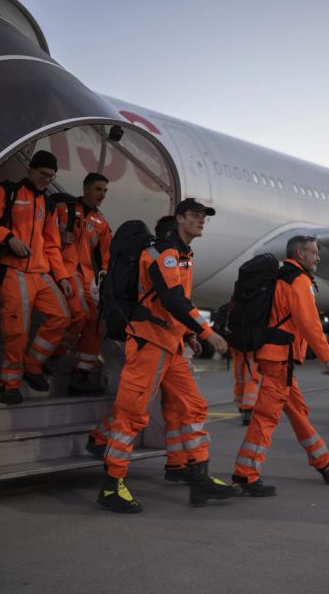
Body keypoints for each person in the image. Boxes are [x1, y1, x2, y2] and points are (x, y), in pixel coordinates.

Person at [98, 198, 236, 513]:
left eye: (205, 216)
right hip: (149, 342)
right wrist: (208, 332)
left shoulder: (184, 254)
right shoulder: (164, 254)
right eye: (195, 215)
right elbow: (173, 300)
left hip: (171, 344)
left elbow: (173, 303)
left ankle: (199, 478)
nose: (202, 220)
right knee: (131, 414)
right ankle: (111, 487)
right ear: (179, 219)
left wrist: (187, 334)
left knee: (193, 406)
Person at [231, 235, 329, 495]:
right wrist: (327, 357)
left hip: (275, 356)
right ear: (300, 253)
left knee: (297, 411)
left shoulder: (281, 277)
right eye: (314, 252)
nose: (318, 258)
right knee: (266, 417)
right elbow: (309, 323)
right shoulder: (298, 279)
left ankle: (325, 463)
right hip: (279, 359)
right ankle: (245, 475)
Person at [0, 150, 72, 404]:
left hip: (40, 273)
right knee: (17, 331)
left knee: (61, 316)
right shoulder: (8, 191)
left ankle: (32, 366)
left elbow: (51, 245)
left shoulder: (48, 204)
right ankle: (9, 385)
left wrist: (62, 277)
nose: (46, 180)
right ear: (30, 170)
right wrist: (9, 238)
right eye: (42, 174)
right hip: (13, 271)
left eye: (51, 176)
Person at [46, 173, 113, 395]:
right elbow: (45, 235)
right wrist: (59, 236)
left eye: (104, 190)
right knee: (80, 314)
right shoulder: (63, 209)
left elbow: (107, 257)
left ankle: (80, 374)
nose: (102, 195)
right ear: (85, 188)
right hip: (64, 269)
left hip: (85, 276)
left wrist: (105, 281)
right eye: (98, 189)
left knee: (97, 321)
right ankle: (55, 355)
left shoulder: (101, 222)